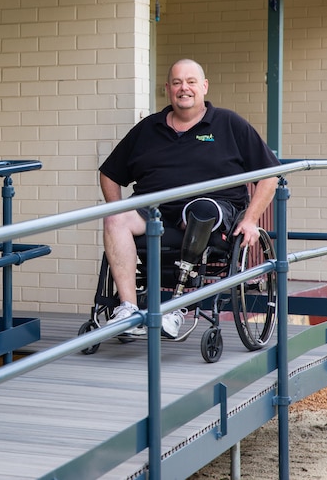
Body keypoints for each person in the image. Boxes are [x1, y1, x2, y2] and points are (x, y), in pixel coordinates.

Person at [99, 59, 280, 338]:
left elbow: (270, 174)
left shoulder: (229, 124)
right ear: (168, 89)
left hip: (211, 211)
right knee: (115, 218)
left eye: (191, 82)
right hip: (154, 211)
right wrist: (118, 206)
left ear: (204, 86)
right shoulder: (148, 129)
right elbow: (110, 173)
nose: (184, 88)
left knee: (201, 210)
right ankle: (129, 310)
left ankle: (174, 308)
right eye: (177, 82)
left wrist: (251, 219)